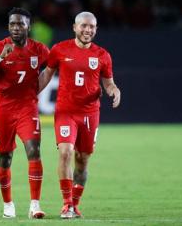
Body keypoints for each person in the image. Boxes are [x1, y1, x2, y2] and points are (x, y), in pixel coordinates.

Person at [38, 11, 121, 219]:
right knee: (65, 152)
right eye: (83, 26)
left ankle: (75, 204)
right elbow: (47, 74)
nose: (87, 30)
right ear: (74, 27)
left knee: (82, 160)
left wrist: (114, 91)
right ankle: (66, 204)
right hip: (65, 111)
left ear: (96, 29)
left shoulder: (103, 55)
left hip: (90, 114)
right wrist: (31, 95)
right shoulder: (59, 49)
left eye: (92, 27)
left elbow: (108, 83)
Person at [0, 7, 49, 219]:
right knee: (4, 159)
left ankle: (35, 205)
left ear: (28, 26)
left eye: (20, 24)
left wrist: (38, 88)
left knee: (34, 150)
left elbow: (53, 66)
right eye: (12, 24)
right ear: (8, 26)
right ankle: (8, 205)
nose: (16, 28)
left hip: (27, 108)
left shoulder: (39, 49)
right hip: (3, 110)